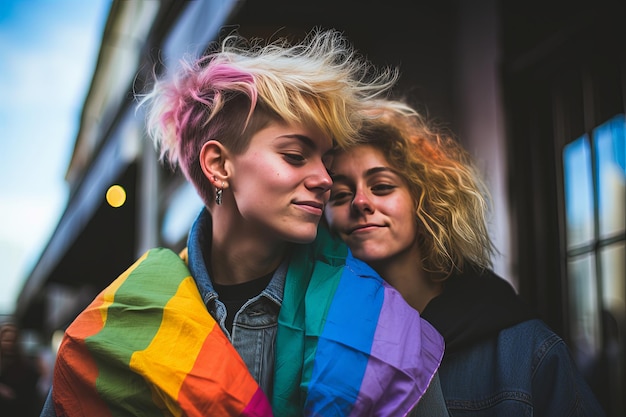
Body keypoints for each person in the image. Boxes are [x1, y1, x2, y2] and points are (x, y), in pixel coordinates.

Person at [40, 30, 446, 417]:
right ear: (219, 165)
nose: (324, 179)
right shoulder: (114, 326)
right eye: (294, 155)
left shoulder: (383, 324)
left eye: (325, 159)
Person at [323, 98, 607, 416]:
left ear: (425, 198)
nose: (360, 202)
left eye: (383, 186)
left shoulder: (524, 350)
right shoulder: (318, 342)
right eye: (340, 194)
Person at [1, 322, 41, 417]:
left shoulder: (25, 365)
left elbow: (30, 396)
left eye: (12, 340)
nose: (9, 344)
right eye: (6, 340)